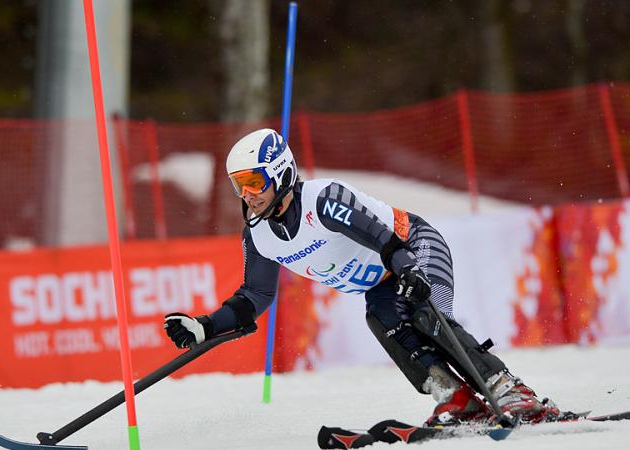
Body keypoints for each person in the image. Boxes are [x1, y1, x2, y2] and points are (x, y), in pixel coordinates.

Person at [163, 128, 560, 425]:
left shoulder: (323, 200)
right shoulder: (260, 234)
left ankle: (508, 389)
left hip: (413, 247)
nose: (247, 195)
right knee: (383, 319)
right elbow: (255, 295)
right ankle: (455, 398)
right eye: (239, 185)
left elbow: (383, 238)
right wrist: (205, 326)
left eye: (254, 182)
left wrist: (409, 269)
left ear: (280, 172)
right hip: (382, 281)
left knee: (427, 314)